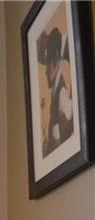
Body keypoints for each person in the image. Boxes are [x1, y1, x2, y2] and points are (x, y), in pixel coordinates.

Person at [38, 26, 74, 157]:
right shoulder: (55, 92)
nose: (46, 70)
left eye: (49, 64)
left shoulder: (63, 93)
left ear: (56, 63)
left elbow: (67, 122)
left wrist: (54, 134)